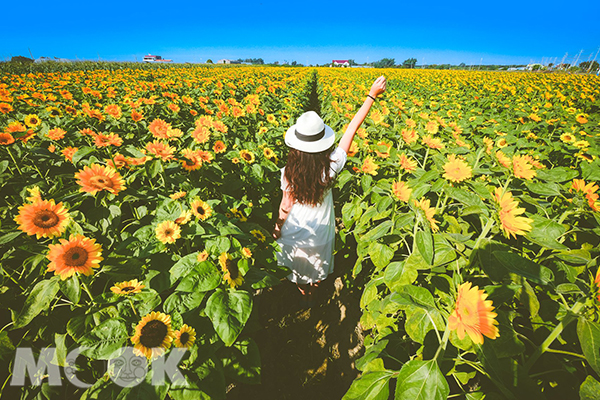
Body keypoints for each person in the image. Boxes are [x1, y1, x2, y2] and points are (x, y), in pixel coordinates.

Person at [271, 76, 387, 304]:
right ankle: (313, 291)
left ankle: (302, 291)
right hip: (321, 232)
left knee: (297, 267)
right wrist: (371, 95)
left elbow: (285, 206)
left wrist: (277, 227)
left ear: (296, 147)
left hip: (295, 231)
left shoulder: (288, 173)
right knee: (317, 267)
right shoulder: (331, 167)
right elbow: (352, 129)